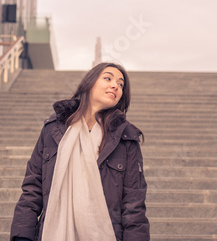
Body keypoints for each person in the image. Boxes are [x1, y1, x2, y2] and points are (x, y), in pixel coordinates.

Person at [10, 62, 150, 241]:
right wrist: (22, 236)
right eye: (108, 78)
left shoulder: (126, 137)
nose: (115, 85)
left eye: (121, 84)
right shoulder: (53, 130)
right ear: (89, 83)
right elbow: (32, 189)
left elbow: (134, 203)